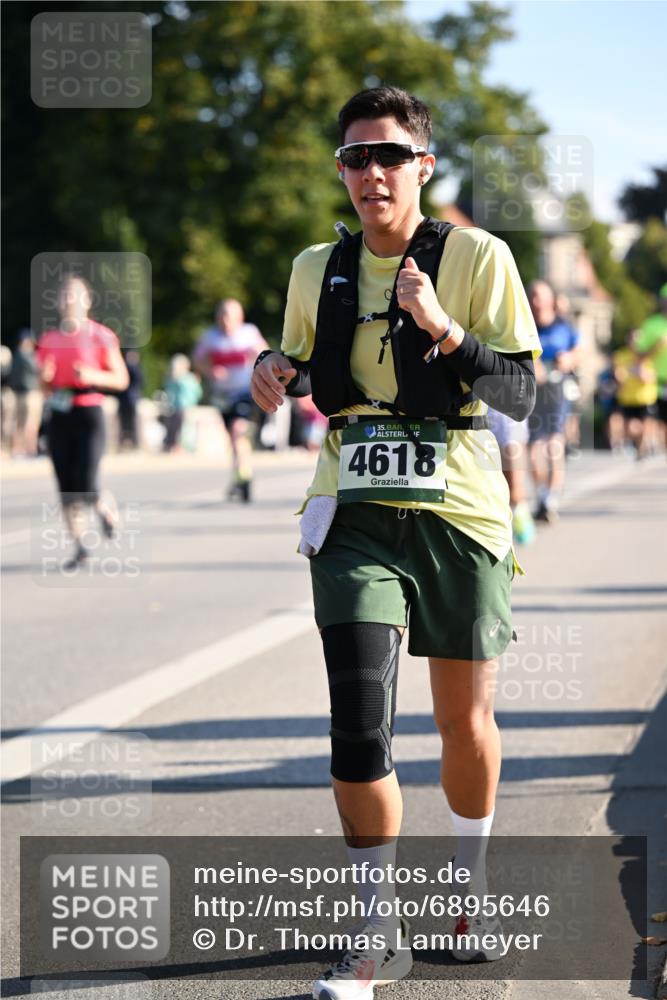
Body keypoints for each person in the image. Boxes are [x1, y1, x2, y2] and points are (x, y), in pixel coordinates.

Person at [251, 86, 541, 999]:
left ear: (422, 166)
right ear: (340, 170)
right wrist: (273, 366)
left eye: (387, 157)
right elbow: (297, 359)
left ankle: (468, 888)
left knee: (463, 721)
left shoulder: (477, 257)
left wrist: (442, 327)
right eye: (353, 158)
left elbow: (525, 396)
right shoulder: (316, 266)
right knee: (359, 717)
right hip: (354, 511)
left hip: (459, 511)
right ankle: (374, 931)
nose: (369, 173)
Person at [36, 275, 129, 569]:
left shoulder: (101, 335)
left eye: (74, 295)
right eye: (64, 296)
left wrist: (92, 377)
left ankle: (105, 510)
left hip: (90, 410)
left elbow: (121, 379)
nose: (69, 301)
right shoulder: (49, 340)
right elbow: (43, 388)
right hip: (60, 414)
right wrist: (45, 379)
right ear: (57, 302)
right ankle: (81, 546)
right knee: (66, 485)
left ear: (87, 301)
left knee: (87, 481)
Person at [193, 298, 268, 501]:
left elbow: (265, 354)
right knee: (233, 438)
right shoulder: (210, 337)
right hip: (222, 395)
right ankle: (239, 475)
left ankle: (244, 477)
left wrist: (258, 359)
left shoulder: (249, 333)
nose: (225, 320)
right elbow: (197, 361)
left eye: (230, 316)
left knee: (238, 431)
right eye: (222, 315)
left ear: (239, 317)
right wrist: (211, 370)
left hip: (244, 391)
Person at [527, 280, 581, 523]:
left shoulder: (564, 327)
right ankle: (541, 496)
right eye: (533, 297)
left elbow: (579, 351)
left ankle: (551, 499)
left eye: (541, 296)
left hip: (558, 391)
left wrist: (568, 358)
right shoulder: (525, 326)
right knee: (533, 450)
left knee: (554, 445)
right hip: (533, 392)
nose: (536, 302)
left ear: (551, 300)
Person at [612, 329, 658, 458]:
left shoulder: (648, 357)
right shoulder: (621, 355)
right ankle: (641, 445)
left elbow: (651, 376)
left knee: (647, 425)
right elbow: (619, 374)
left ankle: (642, 449)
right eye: (633, 339)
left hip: (645, 397)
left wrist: (644, 374)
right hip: (628, 398)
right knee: (631, 427)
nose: (635, 343)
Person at [635, 282, 667, 451]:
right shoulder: (651, 324)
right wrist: (656, 347)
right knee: (656, 419)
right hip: (656, 381)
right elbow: (639, 354)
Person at [6, 329, 43, 457]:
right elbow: (40, 370)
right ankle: (29, 450)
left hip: (18, 394)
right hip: (30, 393)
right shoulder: (27, 356)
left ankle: (18, 449)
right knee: (30, 423)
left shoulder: (15, 355)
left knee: (19, 423)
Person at [163, 353, 202, 451]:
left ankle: (182, 446)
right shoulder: (173, 379)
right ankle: (172, 444)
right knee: (174, 426)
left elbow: (197, 393)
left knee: (183, 427)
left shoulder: (188, 379)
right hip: (176, 407)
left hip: (185, 407)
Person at [116, 348, 144, 450]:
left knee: (133, 423)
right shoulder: (123, 367)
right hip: (123, 400)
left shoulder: (136, 368)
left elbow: (139, 381)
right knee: (123, 424)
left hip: (132, 400)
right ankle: (122, 444)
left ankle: (135, 443)